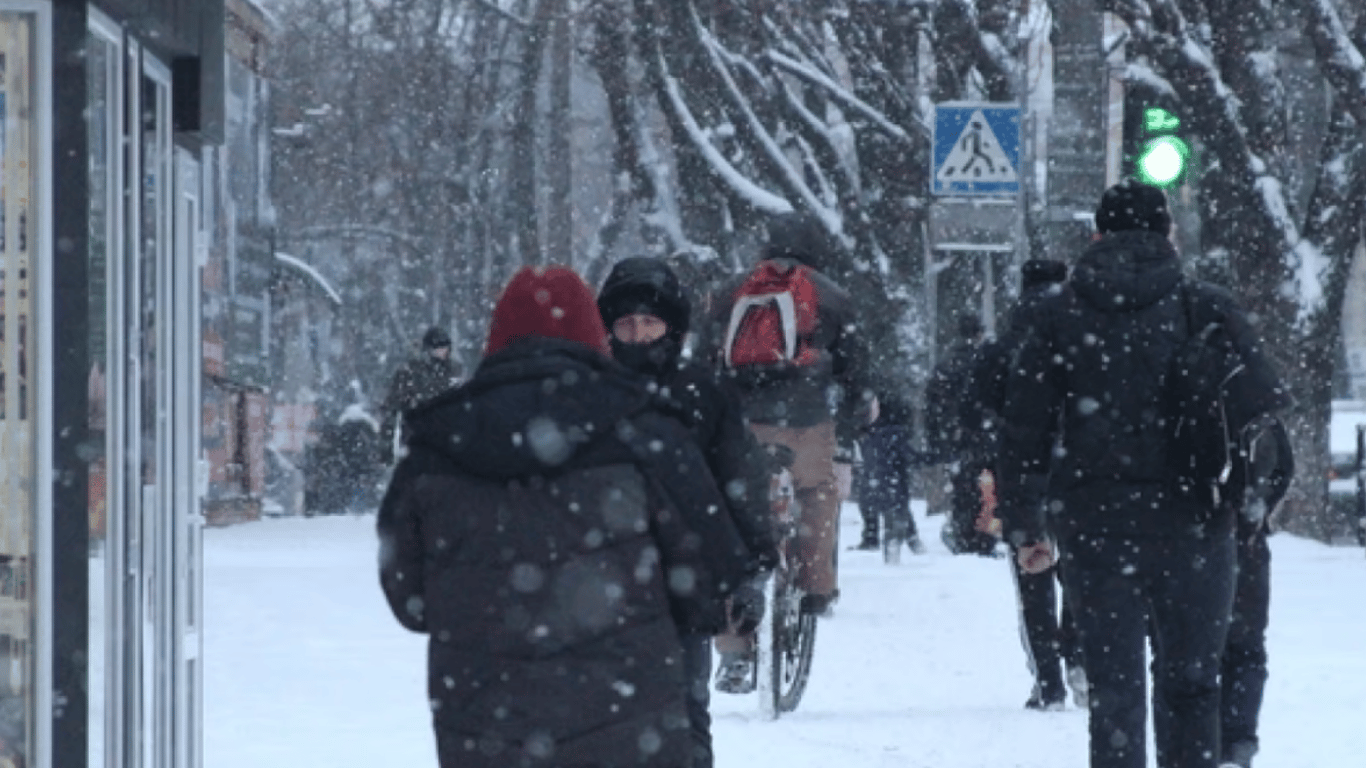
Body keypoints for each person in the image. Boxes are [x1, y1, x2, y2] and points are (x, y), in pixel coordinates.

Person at [376, 265, 753, 768]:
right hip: (629, 723)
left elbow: (409, 598)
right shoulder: (647, 432)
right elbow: (713, 567)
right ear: (595, 336)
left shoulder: (438, 442)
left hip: (488, 726)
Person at [997, 180, 1291, 768]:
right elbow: (1264, 411)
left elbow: (1024, 428)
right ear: (1168, 234)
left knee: (1115, 692)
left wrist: (1027, 522)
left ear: (1096, 236)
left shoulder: (1058, 314)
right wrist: (1250, 504)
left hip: (1093, 521)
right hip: (1195, 518)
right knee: (1191, 683)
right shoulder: (1206, 306)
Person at [596, 256, 778, 765]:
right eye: (626, 324)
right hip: (604, 582)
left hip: (685, 578)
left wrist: (754, 570)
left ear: (670, 325)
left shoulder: (704, 391)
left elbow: (739, 481)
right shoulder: (589, 391)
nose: (637, 334)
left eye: (648, 322)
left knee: (685, 714)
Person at [700, 211, 877, 619]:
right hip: (805, 422)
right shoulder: (832, 295)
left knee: (736, 510)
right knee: (816, 492)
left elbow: (705, 361)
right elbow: (856, 373)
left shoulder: (729, 292)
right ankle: (815, 588)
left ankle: (733, 644)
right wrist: (852, 425)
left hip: (741, 426)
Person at [965, 259, 1083, 710]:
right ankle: (1078, 656)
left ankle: (1048, 681)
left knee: (1033, 571)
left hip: (1021, 471)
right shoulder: (1083, 338)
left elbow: (973, 411)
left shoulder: (1002, 347)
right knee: (1077, 567)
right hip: (1076, 471)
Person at [926, 312, 998, 556]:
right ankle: (984, 533)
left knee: (963, 486)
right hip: (983, 432)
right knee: (987, 486)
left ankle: (964, 531)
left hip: (956, 435)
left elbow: (933, 403)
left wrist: (937, 436)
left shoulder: (947, 363)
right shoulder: (987, 360)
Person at [856, 379, 929, 558]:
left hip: (878, 458)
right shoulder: (898, 423)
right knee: (899, 501)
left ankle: (873, 536)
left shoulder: (872, 427)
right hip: (896, 462)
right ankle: (909, 537)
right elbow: (909, 449)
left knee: (870, 497)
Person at [377, 325, 462, 463]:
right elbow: (391, 410)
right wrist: (386, 449)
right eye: (437, 347)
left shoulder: (454, 370)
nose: (442, 351)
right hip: (416, 441)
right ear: (428, 349)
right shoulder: (410, 372)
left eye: (444, 347)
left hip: (448, 443)